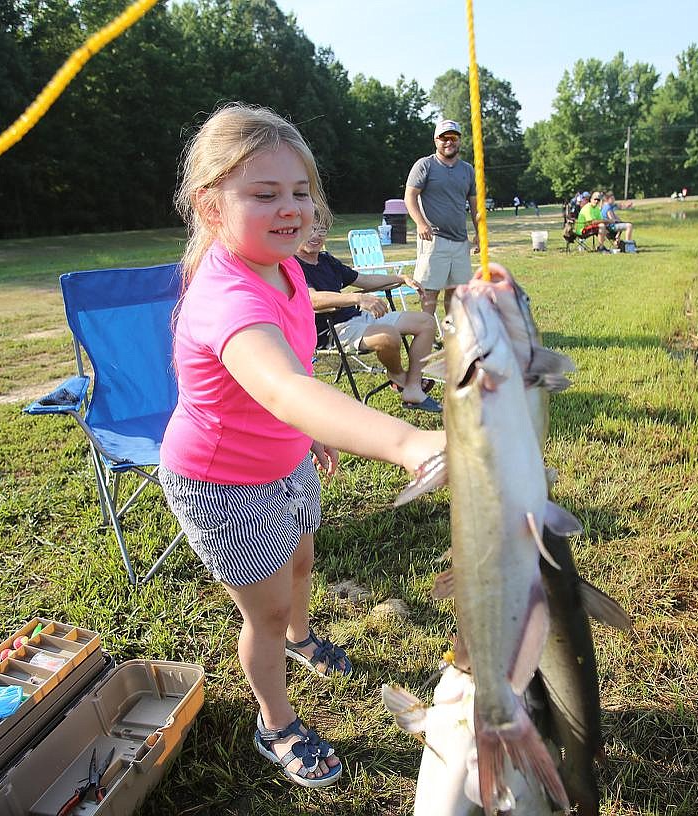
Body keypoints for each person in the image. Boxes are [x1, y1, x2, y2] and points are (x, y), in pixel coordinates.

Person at [160, 103, 444, 790]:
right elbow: (282, 386)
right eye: (264, 194)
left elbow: (294, 380)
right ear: (209, 204)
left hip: (286, 459)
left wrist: (308, 434)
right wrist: (409, 441)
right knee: (267, 608)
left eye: (298, 192)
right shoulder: (225, 296)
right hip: (224, 484)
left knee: (302, 561)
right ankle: (275, 721)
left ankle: (302, 638)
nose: (291, 208)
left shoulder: (284, 269)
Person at [295, 214, 441, 412]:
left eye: (321, 230)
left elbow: (362, 279)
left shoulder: (326, 260)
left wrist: (399, 278)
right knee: (388, 336)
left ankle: (413, 386)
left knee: (426, 322)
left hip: (356, 318)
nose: (316, 235)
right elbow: (312, 299)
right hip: (333, 330)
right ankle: (398, 377)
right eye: (310, 229)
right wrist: (357, 299)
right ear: (297, 232)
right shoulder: (293, 265)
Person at [404, 120, 479, 319]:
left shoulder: (467, 170)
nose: (449, 142)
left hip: (460, 242)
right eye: (444, 137)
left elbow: (475, 205)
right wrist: (421, 223)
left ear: (459, 140)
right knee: (429, 293)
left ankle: (450, 336)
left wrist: (480, 233)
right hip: (433, 240)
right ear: (436, 140)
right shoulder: (425, 165)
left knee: (456, 293)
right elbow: (409, 197)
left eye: (453, 137)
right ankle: (426, 334)